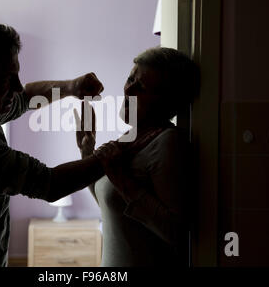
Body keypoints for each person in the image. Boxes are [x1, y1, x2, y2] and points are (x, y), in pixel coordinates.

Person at [0, 22, 159, 267]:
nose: (17, 86)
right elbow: (52, 184)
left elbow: (27, 96)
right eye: (7, 78)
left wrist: (72, 87)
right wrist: (124, 145)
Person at [75, 46, 198, 266]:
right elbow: (110, 204)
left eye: (140, 86)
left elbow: (179, 233)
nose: (128, 90)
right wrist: (86, 151)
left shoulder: (168, 143)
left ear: (165, 101)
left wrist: (122, 179)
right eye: (130, 79)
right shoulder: (129, 139)